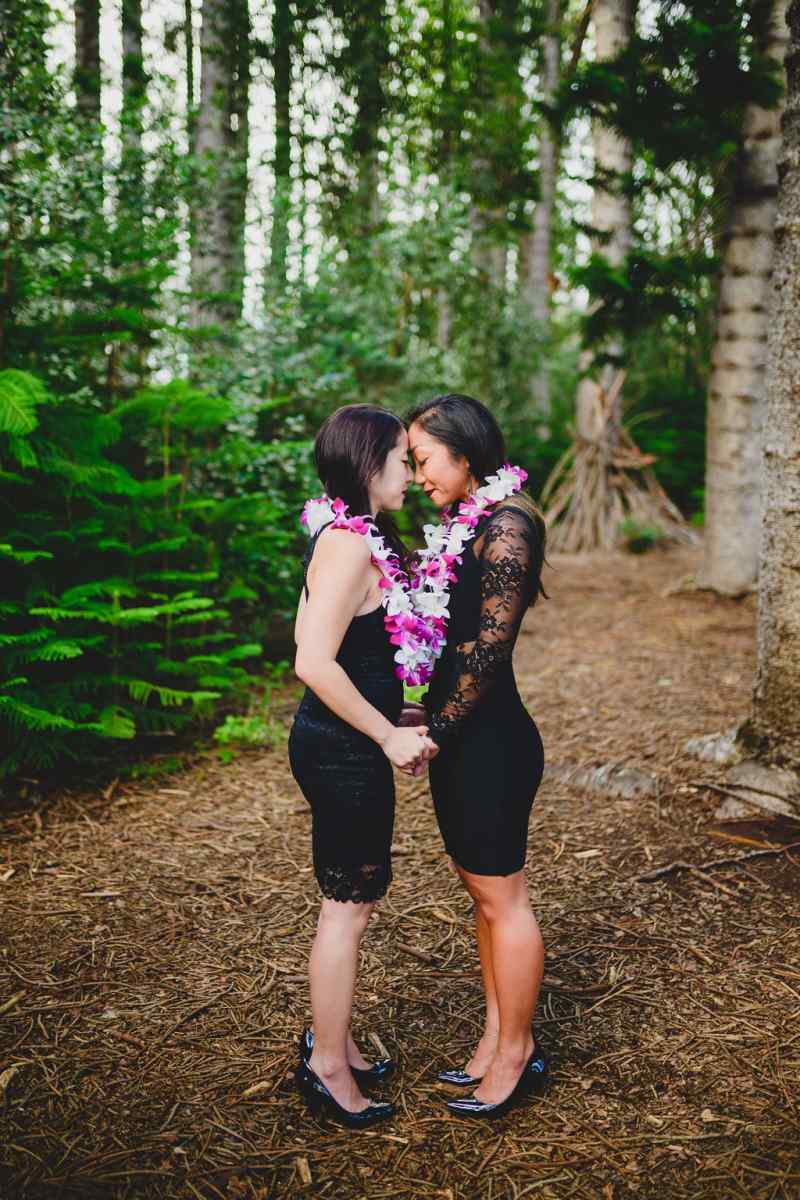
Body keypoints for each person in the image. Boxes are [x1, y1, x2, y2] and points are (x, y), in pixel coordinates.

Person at [289, 403, 438, 1128]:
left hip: (339, 740)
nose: (411, 475)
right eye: (401, 462)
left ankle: (336, 1044)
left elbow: (321, 634)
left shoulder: (346, 534)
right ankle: (326, 1066)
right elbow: (309, 660)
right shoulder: (348, 545)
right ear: (368, 463)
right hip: (344, 749)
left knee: (350, 904)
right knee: (348, 910)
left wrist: (397, 712)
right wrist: (385, 734)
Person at [404, 393, 549, 1120]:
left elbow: (489, 651)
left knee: (505, 900)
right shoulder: (467, 524)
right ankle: (496, 1035)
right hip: (463, 739)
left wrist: (436, 728)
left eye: (423, 459)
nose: (417, 474)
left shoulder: (509, 526)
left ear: (465, 454)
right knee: (483, 900)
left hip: (490, 741)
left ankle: (519, 1052)